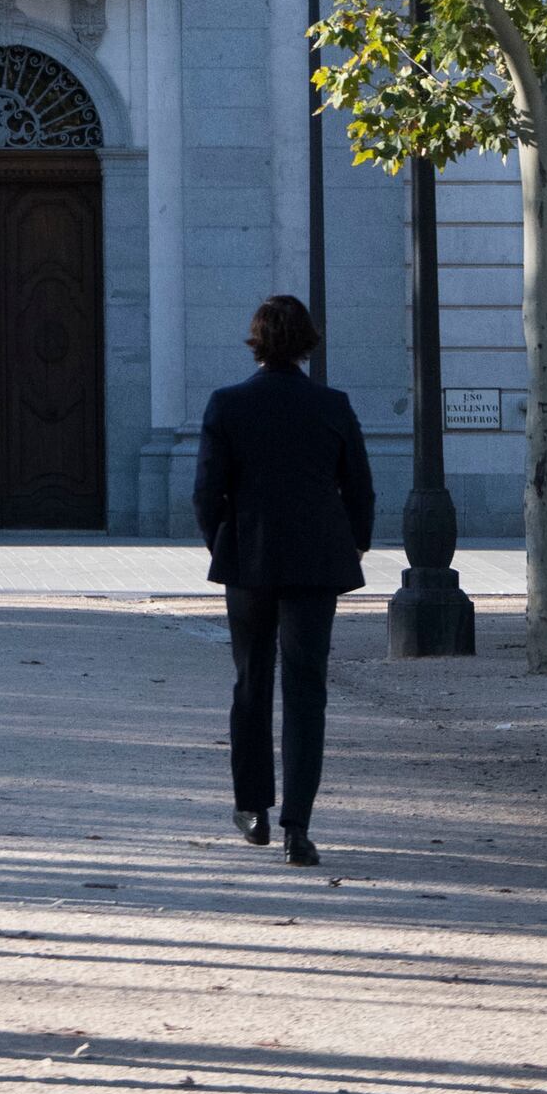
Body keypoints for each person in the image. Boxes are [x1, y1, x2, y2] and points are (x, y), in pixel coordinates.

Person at [194, 292, 376, 867]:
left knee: (251, 682)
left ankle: (253, 810)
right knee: (306, 691)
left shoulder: (227, 405)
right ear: (306, 343)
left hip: (250, 558)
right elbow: (361, 490)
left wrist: (222, 541)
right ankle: (299, 825)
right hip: (316, 562)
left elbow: (206, 493)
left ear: (257, 341)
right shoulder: (334, 405)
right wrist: (352, 543)